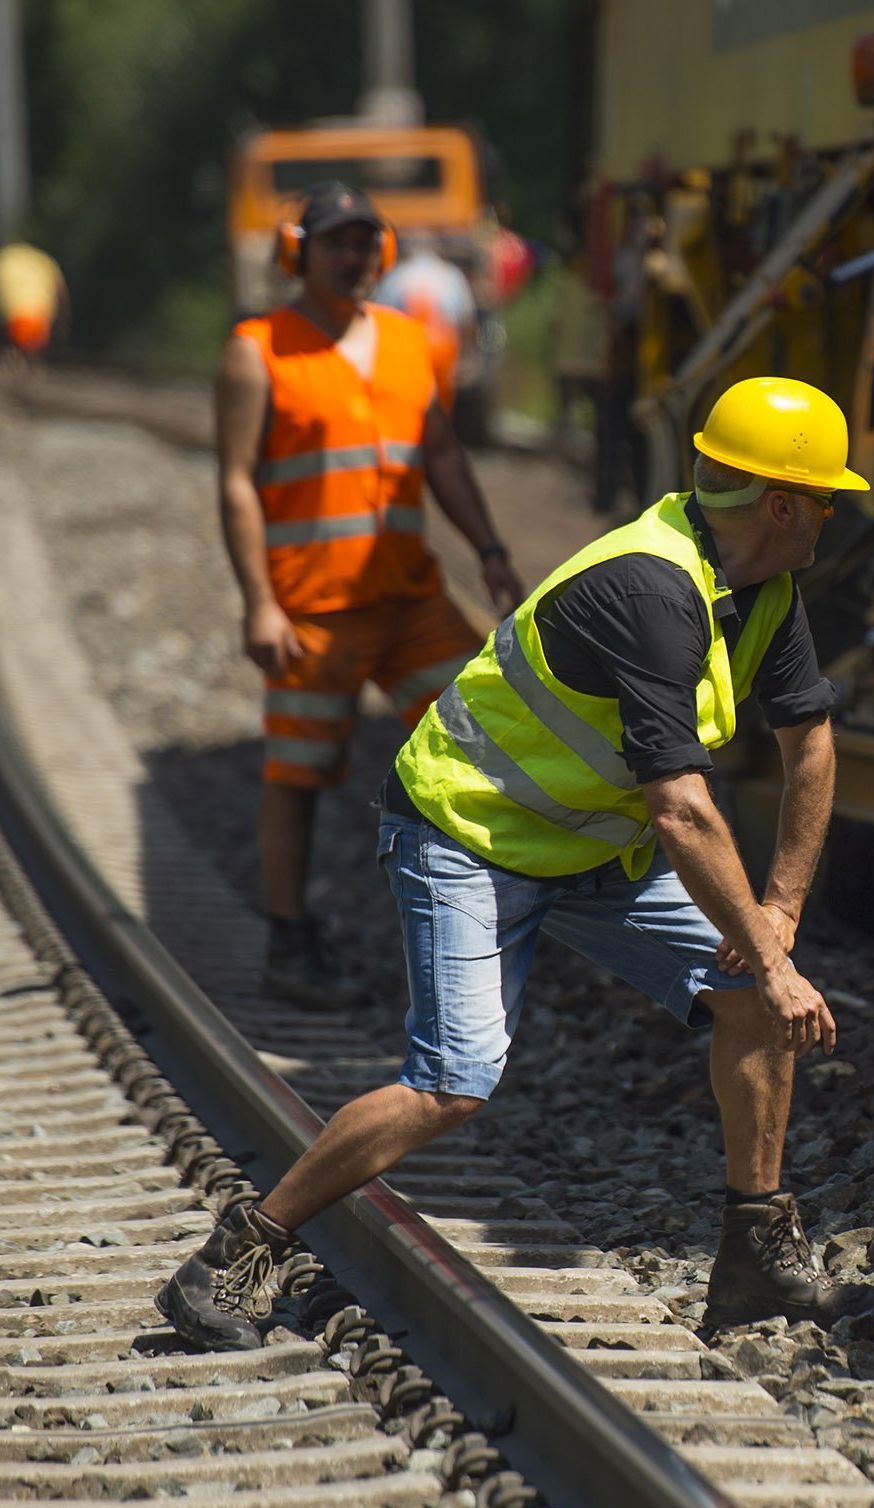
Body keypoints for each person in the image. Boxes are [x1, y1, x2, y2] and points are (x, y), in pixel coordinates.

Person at [159, 375, 863, 1353]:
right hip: (466, 838)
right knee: (454, 1081)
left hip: (588, 847)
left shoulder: (762, 590)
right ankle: (242, 1250)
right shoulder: (650, 591)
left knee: (748, 995)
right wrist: (776, 959)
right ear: (781, 504)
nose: (836, 516)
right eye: (829, 497)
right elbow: (683, 809)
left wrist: (778, 914)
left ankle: (754, 1256)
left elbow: (812, 744)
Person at [215, 183, 525, 1008]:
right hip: (312, 610)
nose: (354, 258)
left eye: (365, 244)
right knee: (300, 775)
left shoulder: (402, 340)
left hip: (411, 602)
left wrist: (488, 549)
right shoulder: (258, 348)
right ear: (299, 253)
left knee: (484, 735)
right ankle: (290, 941)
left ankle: (491, 915)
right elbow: (237, 484)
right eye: (337, 244)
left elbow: (444, 456)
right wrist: (259, 603)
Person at [375, 236, 477, 411]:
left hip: (408, 350)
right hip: (443, 352)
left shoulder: (397, 275)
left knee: (409, 402)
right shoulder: (450, 274)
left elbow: (379, 317)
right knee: (440, 407)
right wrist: (467, 356)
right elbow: (466, 320)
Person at [0, 241, 67, 367]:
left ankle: (18, 365)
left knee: (18, 352)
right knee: (32, 353)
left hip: (16, 319)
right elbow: (61, 294)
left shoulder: (5, 259)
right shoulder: (44, 260)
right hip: (41, 318)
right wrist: (62, 323)